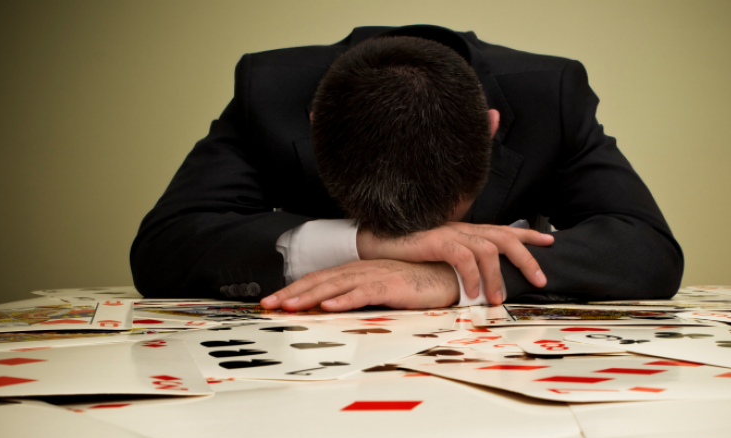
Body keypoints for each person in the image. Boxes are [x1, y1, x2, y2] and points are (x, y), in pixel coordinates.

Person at [130, 25, 683, 311]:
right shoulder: (266, 90)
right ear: (316, 127)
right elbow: (165, 246)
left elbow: (646, 248)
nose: (423, 239)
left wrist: (451, 275)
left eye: (440, 224)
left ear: (491, 131)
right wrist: (365, 244)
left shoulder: (550, 96)